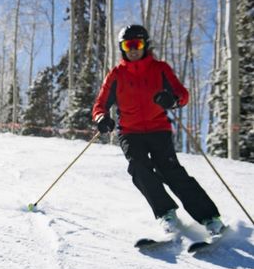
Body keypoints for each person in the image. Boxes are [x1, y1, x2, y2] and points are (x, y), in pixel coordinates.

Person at [92, 24, 225, 236]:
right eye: (128, 44)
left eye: (138, 43)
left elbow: (182, 95)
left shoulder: (160, 69)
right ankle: (166, 213)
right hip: (130, 132)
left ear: (145, 45)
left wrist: (172, 100)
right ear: (122, 48)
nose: (133, 49)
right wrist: (102, 118)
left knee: (170, 170)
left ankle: (209, 217)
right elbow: (100, 105)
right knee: (138, 167)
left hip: (158, 129)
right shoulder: (116, 75)